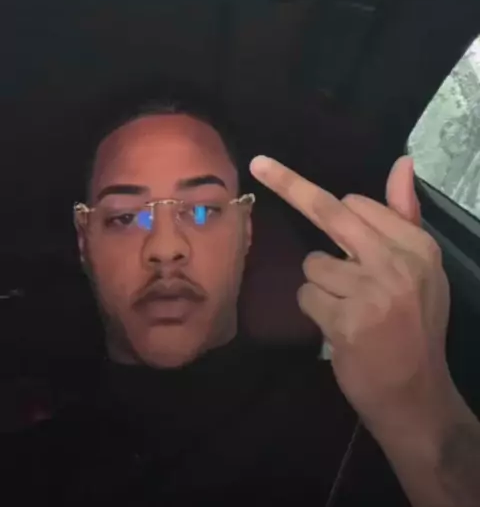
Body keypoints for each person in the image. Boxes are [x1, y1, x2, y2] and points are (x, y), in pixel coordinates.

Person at [3, 95, 480, 507]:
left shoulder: (370, 415)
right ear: (84, 240)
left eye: (203, 210)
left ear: (246, 231)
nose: (165, 248)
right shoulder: (27, 469)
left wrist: (427, 423)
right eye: (126, 217)